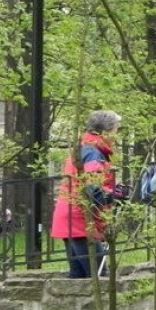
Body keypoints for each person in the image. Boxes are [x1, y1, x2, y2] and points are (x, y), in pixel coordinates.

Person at [50, 110, 129, 278]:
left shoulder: (84, 148)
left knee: (79, 275)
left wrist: (112, 190)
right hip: (80, 218)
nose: (116, 135)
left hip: (70, 215)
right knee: (99, 275)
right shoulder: (93, 153)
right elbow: (92, 189)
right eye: (116, 130)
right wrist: (115, 195)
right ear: (104, 131)